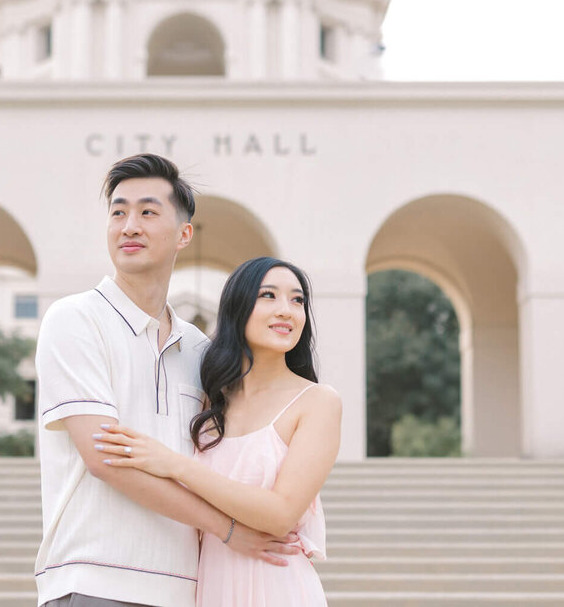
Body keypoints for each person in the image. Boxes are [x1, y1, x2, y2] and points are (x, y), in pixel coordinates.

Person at [34, 155, 301, 607]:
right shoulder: (75, 320)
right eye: (118, 212)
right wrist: (228, 529)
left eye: (148, 212)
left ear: (184, 234)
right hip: (94, 581)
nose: (129, 225)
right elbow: (105, 460)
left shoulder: (199, 349)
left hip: (185, 588)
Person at [92, 257, 341, 606]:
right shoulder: (211, 402)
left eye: (297, 300)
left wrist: (176, 465)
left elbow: (280, 514)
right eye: (268, 295)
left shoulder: (317, 402)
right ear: (237, 308)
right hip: (209, 585)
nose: (287, 310)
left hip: (277, 585)